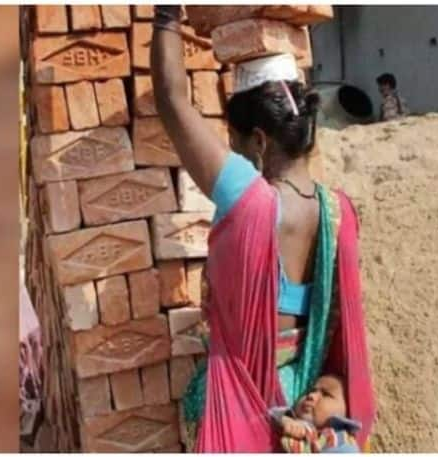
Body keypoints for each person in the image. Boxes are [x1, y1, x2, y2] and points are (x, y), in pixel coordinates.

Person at [151, 5, 375, 452]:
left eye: (235, 142)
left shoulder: (248, 196)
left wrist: (166, 18)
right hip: (301, 397)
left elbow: (172, 103)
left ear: (259, 140)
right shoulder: (338, 212)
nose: (234, 153)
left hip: (241, 403)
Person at [269, 374, 361, 453]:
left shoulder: (341, 440)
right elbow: (266, 416)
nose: (311, 396)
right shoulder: (288, 414)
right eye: (311, 391)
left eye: (326, 394)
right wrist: (285, 420)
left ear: (346, 412)